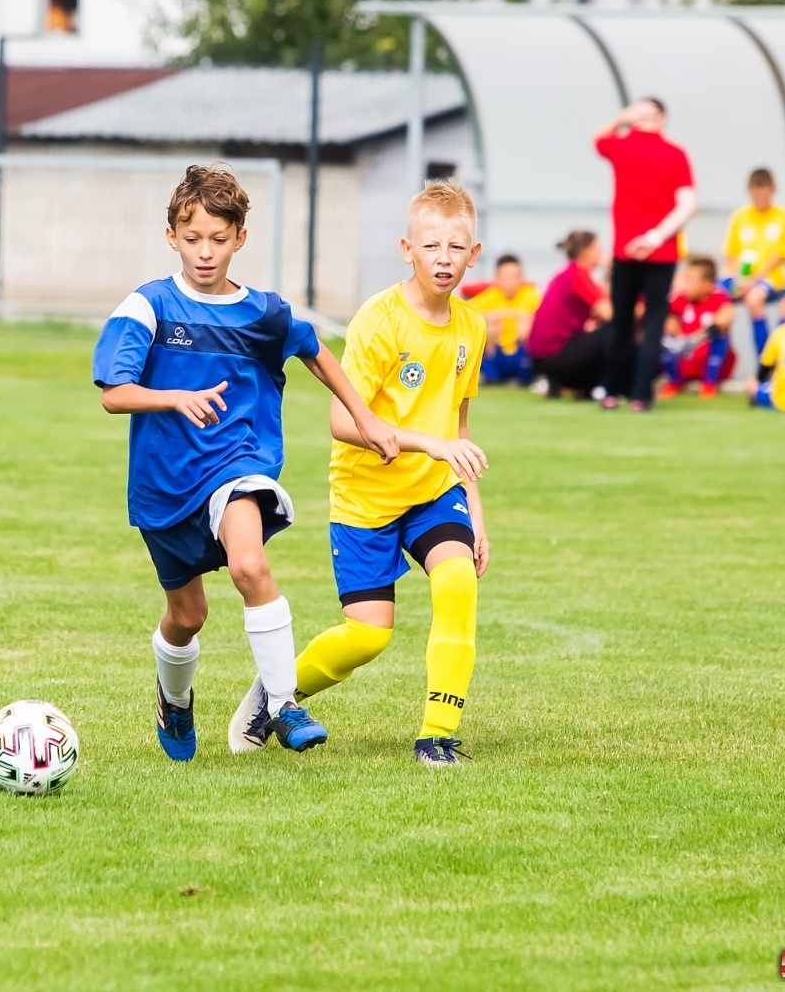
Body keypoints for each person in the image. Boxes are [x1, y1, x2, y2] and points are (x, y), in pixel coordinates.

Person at [91, 164, 397, 762]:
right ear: (171, 237)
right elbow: (112, 393)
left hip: (238, 465)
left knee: (250, 566)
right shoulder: (147, 305)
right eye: (193, 238)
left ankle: (282, 703)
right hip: (163, 487)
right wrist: (173, 397)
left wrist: (365, 417)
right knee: (188, 615)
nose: (205, 253)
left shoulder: (262, 313)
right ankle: (174, 702)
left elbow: (314, 350)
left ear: (240, 239)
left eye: (219, 239)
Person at [241, 180, 490, 768]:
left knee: (457, 583)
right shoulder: (380, 320)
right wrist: (426, 442)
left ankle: (437, 736)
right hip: (365, 499)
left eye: (457, 248)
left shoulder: (472, 328)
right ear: (407, 249)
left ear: (474, 255)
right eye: (432, 247)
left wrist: (476, 514)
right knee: (369, 635)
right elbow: (341, 420)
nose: (444, 259)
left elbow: (458, 424)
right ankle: (276, 694)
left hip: (432, 493)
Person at [593, 98, 697, 410]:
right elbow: (688, 205)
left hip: (625, 251)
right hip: (662, 252)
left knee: (621, 322)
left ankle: (611, 391)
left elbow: (597, 140)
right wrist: (655, 237)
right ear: (662, 118)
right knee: (653, 323)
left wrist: (622, 117)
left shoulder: (622, 146)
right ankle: (641, 395)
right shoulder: (676, 154)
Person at [722, 168, 785, 357]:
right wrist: (739, 278)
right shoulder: (740, 216)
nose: (760, 197)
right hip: (742, 278)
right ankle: (715, 363)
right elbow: (731, 254)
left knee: (753, 300)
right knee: (716, 298)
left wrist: (753, 279)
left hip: (772, 279)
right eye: (755, 193)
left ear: (773, 190)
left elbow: (781, 255)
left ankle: (764, 363)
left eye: (764, 192)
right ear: (749, 191)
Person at [527, 231, 612, 397]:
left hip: (541, 356)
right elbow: (610, 313)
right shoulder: (579, 273)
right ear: (586, 251)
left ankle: (580, 387)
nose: (602, 254)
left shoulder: (565, 273)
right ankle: (609, 387)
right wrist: (612, 268)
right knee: (613, 332)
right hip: (555, 355)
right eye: (598, 249)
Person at [660, 254, 735, 399]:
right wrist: (676, 332)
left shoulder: (719, 298)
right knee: (664, 337)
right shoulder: (680, 299)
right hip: (686, 358)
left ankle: (709, 384)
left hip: (709, 360)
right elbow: (668, 318)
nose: (685, 284)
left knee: (721, 335)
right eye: (685, 278)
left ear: (707, 285)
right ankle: (675, 382)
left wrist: (695, 339)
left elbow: (727, 316)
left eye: (690, 279)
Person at [467, 254, 539, 385]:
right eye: (506, 278)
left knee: (526, 326)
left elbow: (543, 315)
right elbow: (467, 310)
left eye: (515, 277)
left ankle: (526, 373)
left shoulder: (530, 294)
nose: (510, 282)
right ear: (497, 278)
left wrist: (507, 313)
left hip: (520, 350)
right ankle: (490, 374)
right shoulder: (492, 294)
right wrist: (491, 317)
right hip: (496, 351)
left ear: (521, 277)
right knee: (487, 327)